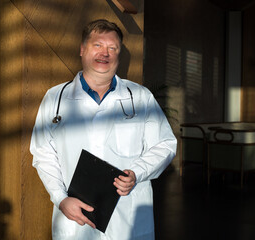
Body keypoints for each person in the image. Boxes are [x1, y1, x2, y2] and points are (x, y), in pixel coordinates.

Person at [30, 19, 177, 240]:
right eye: (97, 45)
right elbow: (43, 154)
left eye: (112, 48)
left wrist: (138, 172)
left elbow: (165, 144)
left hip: (127, 217)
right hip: (75, 219)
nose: (104, 53)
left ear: (119, 54)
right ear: (82, 49)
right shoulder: (55, 98)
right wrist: (60, 198)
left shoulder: (140, 97)